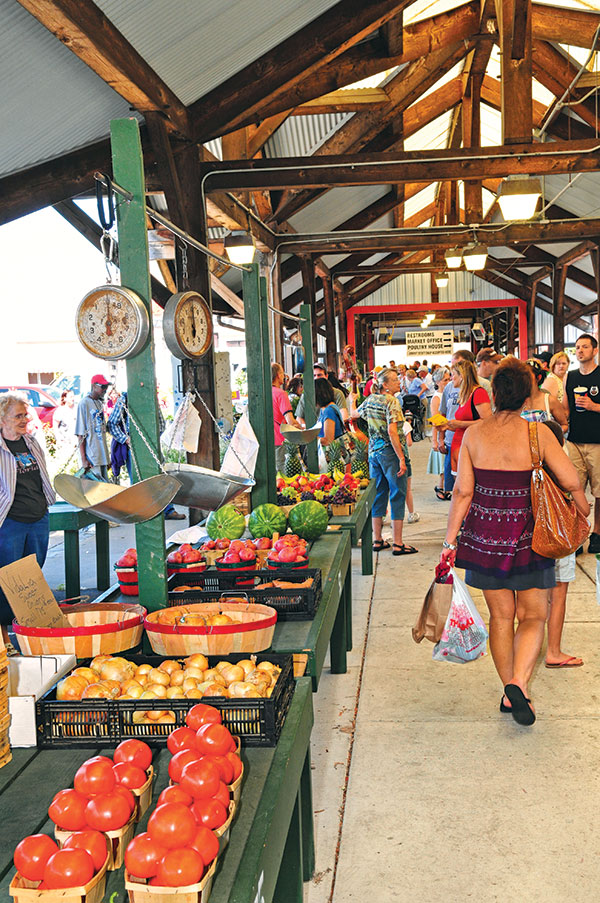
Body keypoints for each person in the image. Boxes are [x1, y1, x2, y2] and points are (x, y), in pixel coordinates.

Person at [441, 358, 589, 726]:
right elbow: (571, 481)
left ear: (494, 392)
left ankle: (509, 685)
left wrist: (448, 542)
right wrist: (584, 512)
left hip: (484, 538)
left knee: (501, 617)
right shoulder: (537, 434)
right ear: (528, 396)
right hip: (530, 539)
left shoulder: (474, 434)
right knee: (535, 614)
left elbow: (461, 492)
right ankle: (519, 684)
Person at [0, 392, 55, 647]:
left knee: (32, 579)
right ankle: (5, 640)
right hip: (11, 523)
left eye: (25, 415)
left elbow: (40, 476)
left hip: (38, 518)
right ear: (2, 419)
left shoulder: (31, 442)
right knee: (9, 580)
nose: (24, 420)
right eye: (17, 416)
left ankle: (28, 631)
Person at [352, 368, 417, 556]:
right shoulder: (392, 402)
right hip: (390, 453)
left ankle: (377, 539)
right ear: (385, 385)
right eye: (395, 380)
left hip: (374, 453)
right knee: (397, 494)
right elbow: (392, 431)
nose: (399, 382)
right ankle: (398, 543)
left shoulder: (370, 400)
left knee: (379, 494)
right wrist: (402, 458)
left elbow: (354, 415)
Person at [541, 421, 582, 668]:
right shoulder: (564, 471)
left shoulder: (531, 470)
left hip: (535, 543)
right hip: (561, 542)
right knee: (558, 597)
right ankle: (553, 651)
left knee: (532, 599)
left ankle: (528, 646)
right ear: (562, 443)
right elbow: (584, 508)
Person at [563, 333, 600, 554]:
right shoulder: (571, 376)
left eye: (585, 347)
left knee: (599, 492)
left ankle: (597, 533)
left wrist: (594, 406)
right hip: (574, 441)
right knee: (574, 489)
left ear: (595, 350)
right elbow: (566, 408)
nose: (580, 350)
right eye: (577, 347)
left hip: (598, 441)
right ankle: (577, 535)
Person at [444, 359, 492, 475]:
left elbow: (488, 422)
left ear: (462, 376)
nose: (451, 378)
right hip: (459, 445)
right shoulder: (465, 394)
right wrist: (447, 426)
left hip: (471, 447)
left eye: (453, 375)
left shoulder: (478, 393)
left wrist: (459, 424)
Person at [75, 375, 110, 479]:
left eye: (106, 387)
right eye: (102, 387)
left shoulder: (99, 403)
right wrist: (83, 459)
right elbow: (81, 434)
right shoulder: (84, 403)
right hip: (91, 457)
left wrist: (107, 458)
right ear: (94, 386)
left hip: (101, 456)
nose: (105, 390)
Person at [521, 359, 568, 432]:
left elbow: (564, 424)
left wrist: (553, 435)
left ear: (538, 378)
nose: (524, 379)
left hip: (547, 442)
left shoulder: (550, 400)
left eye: (528, 376)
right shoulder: (517, 400)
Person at [272, 362, 302, 472]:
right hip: (280, 441)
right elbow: (290, 421)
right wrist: (301, 429)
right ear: (279, 375)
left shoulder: (262, 393)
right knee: (283, 475)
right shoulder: (281, 394)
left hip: (265, 442)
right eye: (282, 373)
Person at [429, 367, 452, 500]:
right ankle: (441, 487)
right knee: (444, 464)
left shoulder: (450, 393)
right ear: (437, 381)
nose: (448, 382)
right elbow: (435, 420)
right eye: (445, 380)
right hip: (442, 434)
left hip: (449, 432)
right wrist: (436, 440)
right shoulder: (436, 398)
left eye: (449, 379)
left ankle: (443, 487)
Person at [315, 378, 346, 458]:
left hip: (332, 458)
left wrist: (311, 438)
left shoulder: (329, 411)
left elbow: (328, 440)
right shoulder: (328, 408)